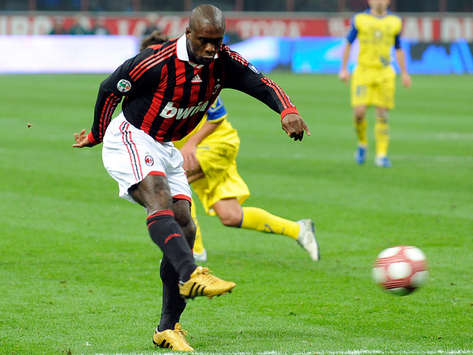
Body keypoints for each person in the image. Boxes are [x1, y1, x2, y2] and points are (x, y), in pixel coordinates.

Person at [73, 4, 310, 352]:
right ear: (188, 34)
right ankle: (191, 273)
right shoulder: (155, 62)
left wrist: (287, 109)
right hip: (133, 135)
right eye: (204, 41)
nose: (211, 49)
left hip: (166, 145)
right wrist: (96, 133)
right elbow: (111, 89)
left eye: (217, 41)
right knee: (158, 198)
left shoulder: (223, 62)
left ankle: (167, 328)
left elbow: (262, 83)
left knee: (185, 225)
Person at [173, 97, 320, 262]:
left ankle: (193, 251)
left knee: (175, 182)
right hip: (189, 150)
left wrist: (190, 144)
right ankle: (298, 230)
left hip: (216, 143)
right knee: (231, 215)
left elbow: (218, 115)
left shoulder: (192, 78)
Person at [338, 0, 411, 167]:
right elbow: (348, 44)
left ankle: (381, 155)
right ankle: (362, 143)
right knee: (359, 113)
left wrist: (405, 73)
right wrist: (343, 69)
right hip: (363, 72)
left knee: (382, 114)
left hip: (385, 73)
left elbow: (398, 48)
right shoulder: (360, 19)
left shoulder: (395, 22)